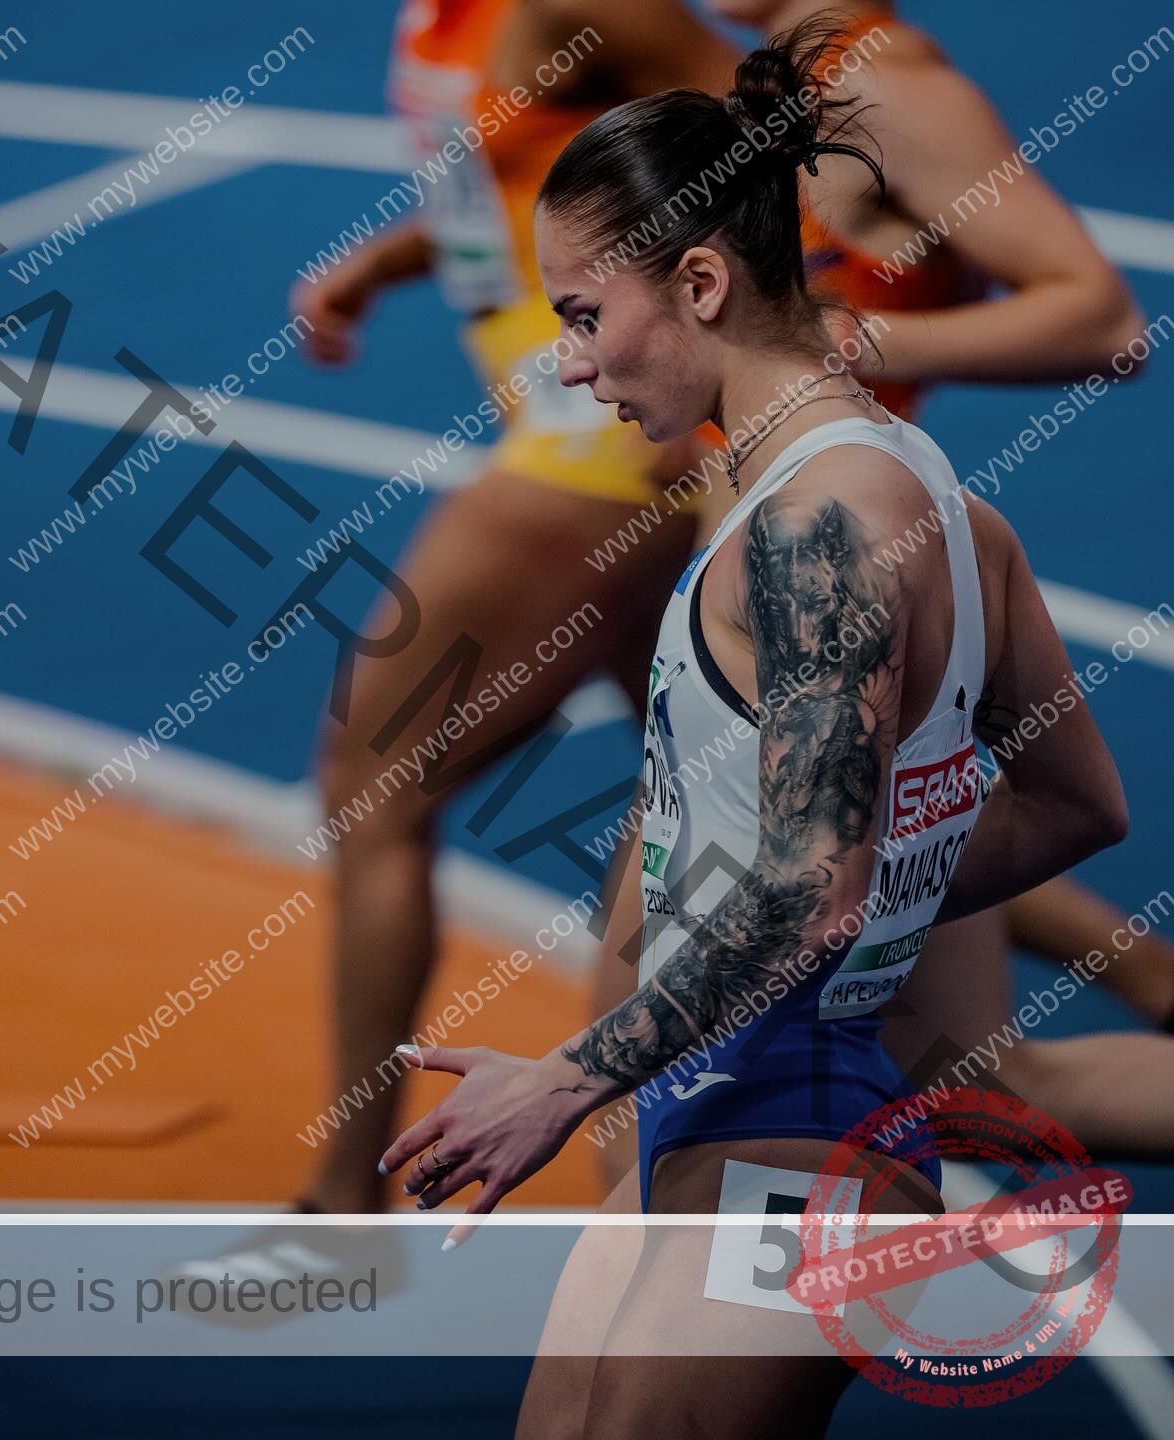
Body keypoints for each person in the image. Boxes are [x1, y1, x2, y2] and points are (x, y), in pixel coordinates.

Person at [381, 24, 1129, 1437]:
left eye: (587, 317)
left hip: (795, 1125)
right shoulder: (945, 503)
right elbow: (1079, 806)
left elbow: (810, 895)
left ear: (704, 283)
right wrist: (884, 902)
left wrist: (565, 1079)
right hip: (730, 1098)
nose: (576, 369)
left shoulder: (811, 532)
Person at [585, 0, 1161, 1183]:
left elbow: (1102, 317)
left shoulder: (887, 82)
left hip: (838, 604)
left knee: (623, 1087)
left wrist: (838, 348)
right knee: (981, 1084)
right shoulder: (785, 81)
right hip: (789, 604)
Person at [289, 0, 739, 1221]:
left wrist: (707, 386)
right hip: (591, 431)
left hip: (600, 448)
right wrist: (383, 266)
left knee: (375, 781)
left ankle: (343, 1205)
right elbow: (528, 180)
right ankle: (1138, 988)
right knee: (775, 782)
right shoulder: (439, 14)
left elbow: (760, 141)